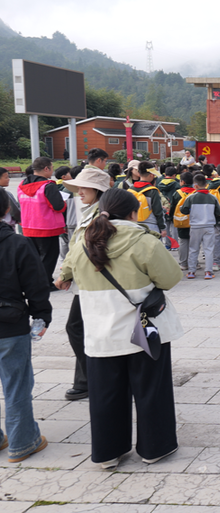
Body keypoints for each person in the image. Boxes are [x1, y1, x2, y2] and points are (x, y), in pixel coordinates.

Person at [55, 188, 184, 469]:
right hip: (145, 331)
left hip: (100, 332)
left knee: (105, 394)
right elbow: (172, 277)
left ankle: (108, 452)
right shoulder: (143, 241)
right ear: (132, 212)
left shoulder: (83, 242)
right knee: (152, 390)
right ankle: (155, 447)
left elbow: (67, 273)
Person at [0, 189, 51, 463]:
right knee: (16, 384)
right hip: (9, 324)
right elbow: (37, 284)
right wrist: (42, 315)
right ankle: (22, 442)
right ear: (6, 209)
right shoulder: (17, 243)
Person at [58, 166, 111, 401]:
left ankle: (93, 377)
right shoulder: (91, 210)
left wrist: (66, 272)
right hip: (86, 281)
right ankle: (87, 378)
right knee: (81, 328)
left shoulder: (102, 214)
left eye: (83, 187)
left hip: (94, 282)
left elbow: (83, 248)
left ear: (97, 190)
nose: (79, 191)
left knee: (78, 328)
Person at [18, 157, 67, 287]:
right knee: (49, 257)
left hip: (28, 227)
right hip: (47, 228)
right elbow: (58, 206)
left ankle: (34, 282)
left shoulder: (22, 185)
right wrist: (64, 204)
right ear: (46, 169)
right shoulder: (48, 186)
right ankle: (44, 284)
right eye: (51, 167)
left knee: (34, 257)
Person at [180, 174, 220, 279]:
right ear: (206, 185)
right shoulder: (213, 197)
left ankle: (191, 272)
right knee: (208, 249)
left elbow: (184, 210)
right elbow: (219, 211)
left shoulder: (190, 197)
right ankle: (208, 272)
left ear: (195, 185)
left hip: (195, 226)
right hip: (209, 226)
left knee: (193, 249)